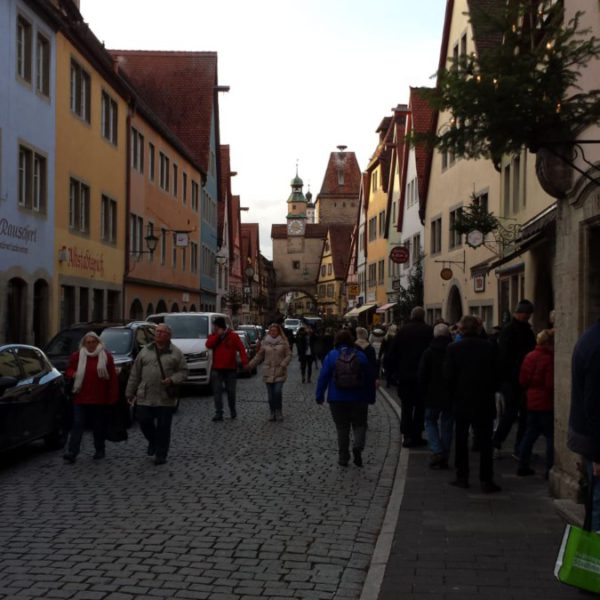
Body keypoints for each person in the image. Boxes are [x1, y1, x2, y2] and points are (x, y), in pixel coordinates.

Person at [444, 315, 501, 493]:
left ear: (461, 329)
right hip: (484, 400)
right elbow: (497, 374)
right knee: (485, 442)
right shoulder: (490, 347)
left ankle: (462, 477)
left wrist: (453, 394)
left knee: (461, 439)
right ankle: (486, 479)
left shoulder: (453, 348)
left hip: (462, 400)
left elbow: (448, 376)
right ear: (478, 328)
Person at [125, 324, 187, 465]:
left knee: (164, 426)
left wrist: (172, 379)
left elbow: (183, 372)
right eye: (157, 331)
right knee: (144, 421)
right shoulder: (145, 351)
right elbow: (135, 373)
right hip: (145, 394)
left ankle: (161, 454)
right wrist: (129, 392)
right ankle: (153, 441)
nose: (158, 334)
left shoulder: (175, 352)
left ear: (168, 335)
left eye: (162, 332)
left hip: (164, 396)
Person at [316, 329, 375, 467]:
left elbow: (323, 377)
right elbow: (369, 378)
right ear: (351, 340)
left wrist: (319, 395)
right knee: (360, 425)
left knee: (342, 428)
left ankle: (343, 458)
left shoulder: (331, 355)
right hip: (359, 398)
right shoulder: (360, 355)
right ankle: (358, 447)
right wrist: (371, 397)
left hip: (337, 398)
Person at [63, 331, 119, 463]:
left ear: (98, 343)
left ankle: (99, 449)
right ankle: (72, 451)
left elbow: (112, 379)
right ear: (84, 343)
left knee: (98, 426)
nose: (91, 345)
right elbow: (69, 370)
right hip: (80, 397)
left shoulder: (106, 357)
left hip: (99, 398)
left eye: (93, 342)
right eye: (88, 342)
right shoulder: (77, 356)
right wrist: (73, 374)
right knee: (77, 424)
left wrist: (113, 397)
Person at [492, 299, 536, 456]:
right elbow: (504, 357)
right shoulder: (509, 330)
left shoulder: (525, 330)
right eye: (526, 313)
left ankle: (519, 447)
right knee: (511, 413)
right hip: (512, 379)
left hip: (523, 378)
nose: (528, 316)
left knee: (524, 414)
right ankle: (497, 442)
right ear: (519, 313)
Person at [568, 318, 600, 532]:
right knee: (598, 504)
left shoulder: (591, 337)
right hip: (595, 440)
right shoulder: (597, 346)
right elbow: (596, 404)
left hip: (587, 437)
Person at [387, 306, 433, 447]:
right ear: (423, 316)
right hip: (423, 376)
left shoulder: (402, 331)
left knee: (406, 407)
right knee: (420, 407)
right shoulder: (428, 331)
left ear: (412, 315)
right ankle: (417, 435)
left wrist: (393, 374)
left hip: (405, 375)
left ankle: (407, 436)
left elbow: (392, 354)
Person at [517, 329, 555, 477]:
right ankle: (550, 469)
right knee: (551, 436)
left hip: (531, 399)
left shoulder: (529, 356)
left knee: (530, 433)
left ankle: (522, 464)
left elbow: (522, 380)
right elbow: (550, 384)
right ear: (548, 343)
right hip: (545, 401)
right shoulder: (549, 359)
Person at [418, 323, 453, 469]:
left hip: (432, 394)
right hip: (450, 393)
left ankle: (437, 450)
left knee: (430, 421)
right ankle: (444, 454)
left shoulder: (429, 352)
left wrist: (422, 392)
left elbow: (422, 375)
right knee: (447, 424)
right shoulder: (453, 350)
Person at [206, 316, 248, 421]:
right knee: (217, 392)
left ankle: (232, 410)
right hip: (217, 368)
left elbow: (241, 349)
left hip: (230, 369)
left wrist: (244, 363)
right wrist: (217, 336)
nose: (214, 328)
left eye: (215, 326)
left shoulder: (233, 336)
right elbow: (208, 344)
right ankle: (218, 412)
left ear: (220, 326)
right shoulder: (213, 335)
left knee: (231, 392)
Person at [247, 323, 292, 421]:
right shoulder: (265, 343)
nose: (273, 332)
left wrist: (284, 363)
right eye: (271, 331)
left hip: (280, 371)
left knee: (277, 392)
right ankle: (272, 412)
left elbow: (289, 355)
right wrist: (250, 365)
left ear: (278, 331)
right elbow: (259, 356)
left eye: (275, 331)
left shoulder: (284, 342)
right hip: (268, 372)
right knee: (271, 395)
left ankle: (278, 411)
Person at [355, 327, 379, 401]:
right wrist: (376, 378)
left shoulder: (353, 347)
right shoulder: (370, 348)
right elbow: (374, 364)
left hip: (355, 376)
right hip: (368, 376)